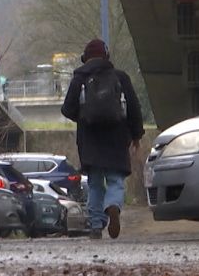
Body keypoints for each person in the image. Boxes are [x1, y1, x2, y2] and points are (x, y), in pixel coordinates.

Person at [60, 39, 144, 239]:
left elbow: (67, 108)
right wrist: (136, 134)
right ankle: (113, 206)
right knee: (115, 180)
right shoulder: (120, 77)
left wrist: (83, 117)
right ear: (106, 56)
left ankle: (96, 225)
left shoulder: (79, 78)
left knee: (96, 183)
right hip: (117, 137)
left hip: (90, 140)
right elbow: (133, 107)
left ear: (85, 57)